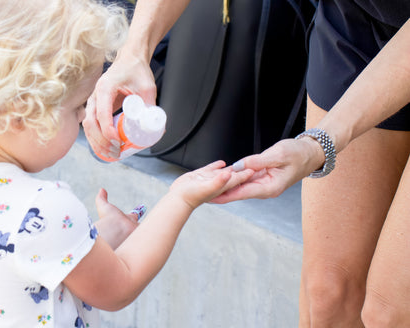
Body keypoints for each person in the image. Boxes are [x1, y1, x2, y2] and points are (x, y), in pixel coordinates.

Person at [0, 0, 254, 327]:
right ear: (21, 113)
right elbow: (119, 286)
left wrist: (101, 238)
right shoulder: (44, 206)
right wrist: (180, 199)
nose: (81, 120)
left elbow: (28, 266)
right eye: (77, 107)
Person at [83, 0, 410, 326]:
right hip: (359, 18)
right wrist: (134, 52)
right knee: (327, 292)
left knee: (390, 310)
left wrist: (317, 144)